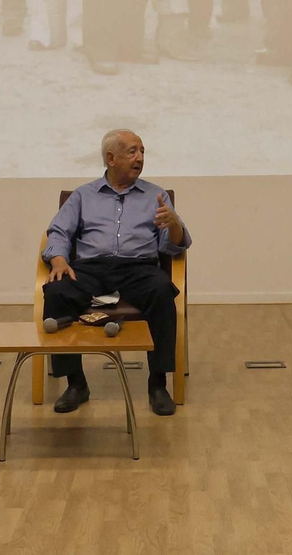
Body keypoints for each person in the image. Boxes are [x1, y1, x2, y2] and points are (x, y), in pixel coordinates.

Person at [42, 129, 189, 418]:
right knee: (57, 290)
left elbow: (173, 245)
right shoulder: (83, 195)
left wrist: (174, 224)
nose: (140, 158)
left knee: (162, 290)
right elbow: (59, 231)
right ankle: (76, 384)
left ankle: (158, 384)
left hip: (138, 268)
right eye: (132, 151)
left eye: (142, 151)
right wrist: (58, 260)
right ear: (111, 158)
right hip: (91, 268)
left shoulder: (156, 195)